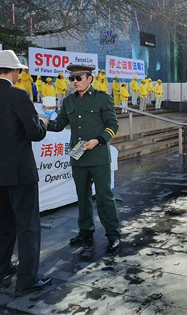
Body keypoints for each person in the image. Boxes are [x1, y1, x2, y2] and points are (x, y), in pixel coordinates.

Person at [0, 50, 51, 297]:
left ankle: (1, 269)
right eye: (19, 71)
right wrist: (43, 124)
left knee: (4, 224)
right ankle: (27, 280)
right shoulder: (19, 95)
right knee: (27, 225)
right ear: (14, 71)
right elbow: (35, 133)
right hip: (20, 172)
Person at [47, 64, 121, 252]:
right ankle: (85, 231)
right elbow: (59, 124)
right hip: (78, 156)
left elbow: (113, 124)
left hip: (98, 155)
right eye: (72, 78)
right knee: (82, 196)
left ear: (90, 78)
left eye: (78, 78)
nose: (74, 82)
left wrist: (98, 140)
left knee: (104, 196)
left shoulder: (102, 98)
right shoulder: (69, 101)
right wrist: (43, 123)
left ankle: (113, 234)